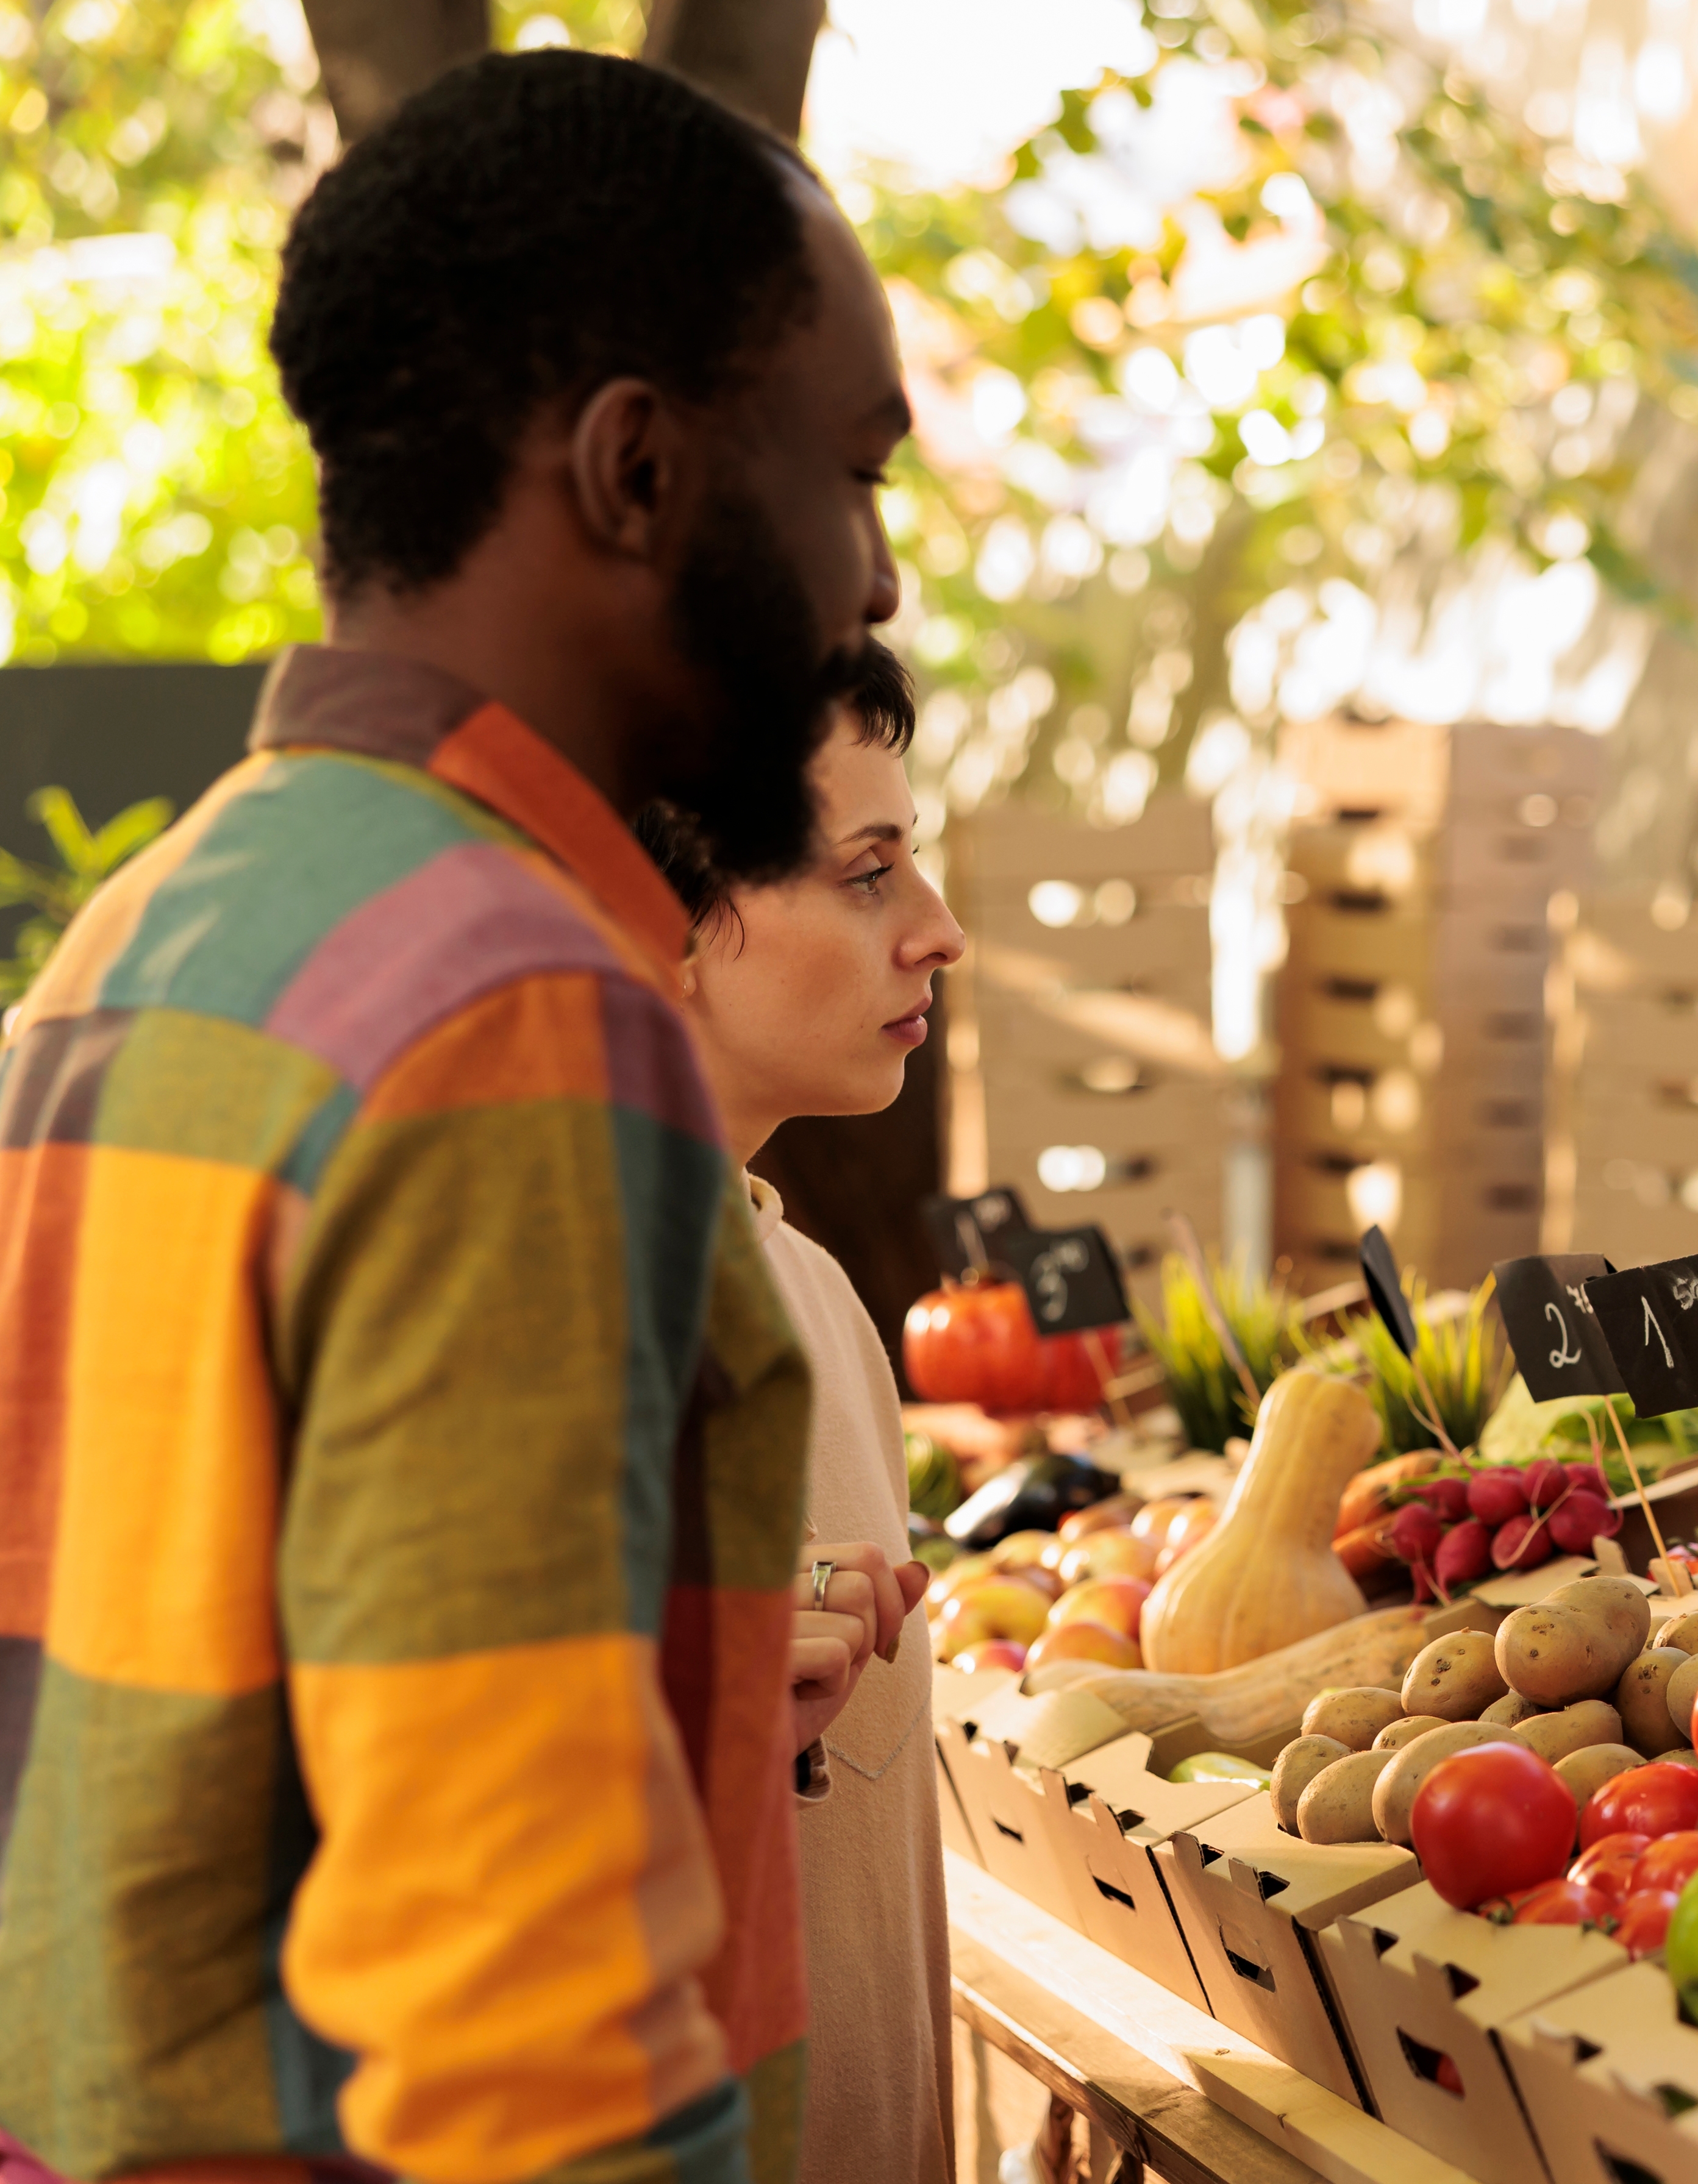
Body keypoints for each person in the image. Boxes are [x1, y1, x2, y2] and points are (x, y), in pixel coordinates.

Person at [0, 52, 914, 2184]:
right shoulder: (516, 1018)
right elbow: (522, 2028)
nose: (875, 586)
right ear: (639, 471)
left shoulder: (145, 935)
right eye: (851, 475)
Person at [638, 639, 966, 2184]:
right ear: (678, 926)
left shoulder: (820, 1296)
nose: (937, 932)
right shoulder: (553, 1330)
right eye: (868, 873)